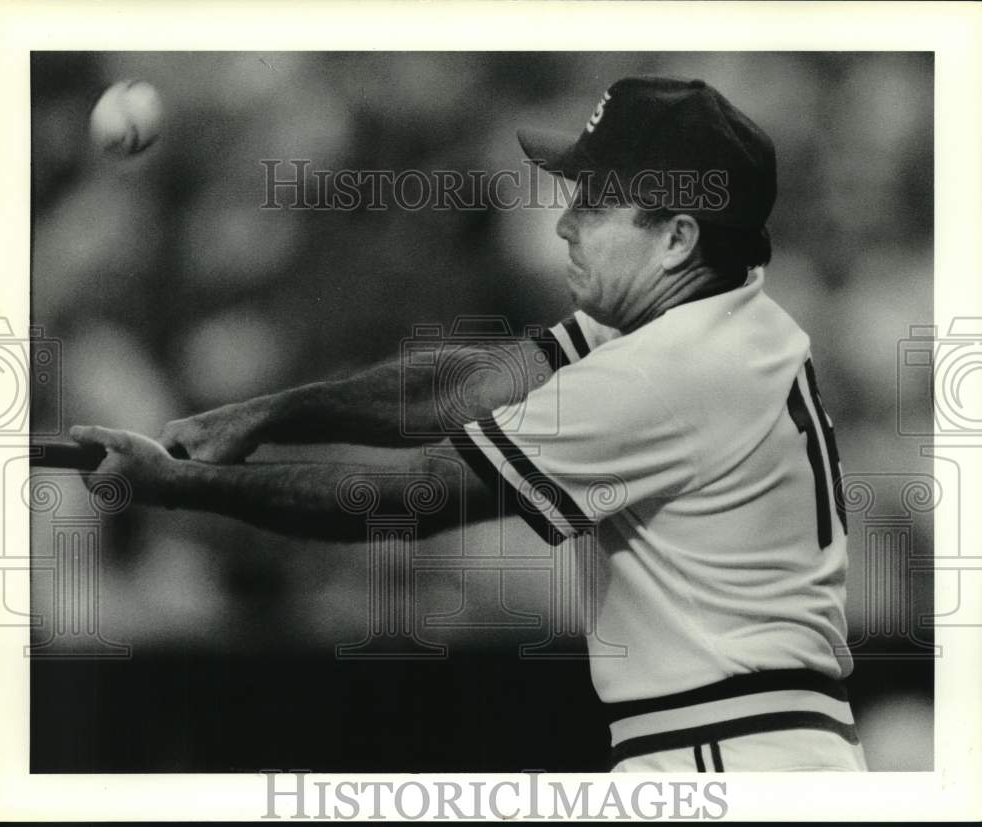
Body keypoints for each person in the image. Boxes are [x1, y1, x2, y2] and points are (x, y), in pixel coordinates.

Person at [72, 76, 867, 772]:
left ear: (676, 237)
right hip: (757, 750)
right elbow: (466, 387)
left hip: (730, 760)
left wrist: (177, 484)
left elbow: (413, 498)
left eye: (595, 201)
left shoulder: (669, 371)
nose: (565, 222)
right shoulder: (714, 315)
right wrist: (267, 412)